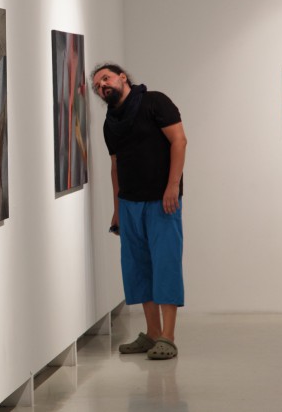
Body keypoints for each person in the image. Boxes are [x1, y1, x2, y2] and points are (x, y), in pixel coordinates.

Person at [91, 63, 187, 360]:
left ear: (123, 77)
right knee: (138, 267)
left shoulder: (155, 102)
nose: (102, 86)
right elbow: (115, 166)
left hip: (162, 200)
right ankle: (152, 333)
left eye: (105, 78)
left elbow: (179, 141)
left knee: (165, 263)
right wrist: (117, 209)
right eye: (97, 86)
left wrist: (173, 186)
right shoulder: (111, 123)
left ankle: (168, 337)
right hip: (130, 203)